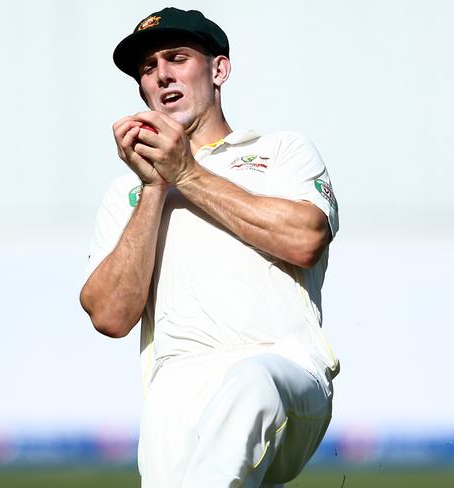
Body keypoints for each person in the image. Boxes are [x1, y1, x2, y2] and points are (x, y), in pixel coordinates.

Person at [80, 7, 340, 487]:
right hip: (174, 392)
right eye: (148, 67)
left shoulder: (281, 151)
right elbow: (110, 317)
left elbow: (306, 239)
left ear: (219, 70)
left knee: (251, 383)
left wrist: (186, 174)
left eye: (177, 58)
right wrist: (156, 187)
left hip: (282, 367)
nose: (161, 74)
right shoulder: (128, 194)